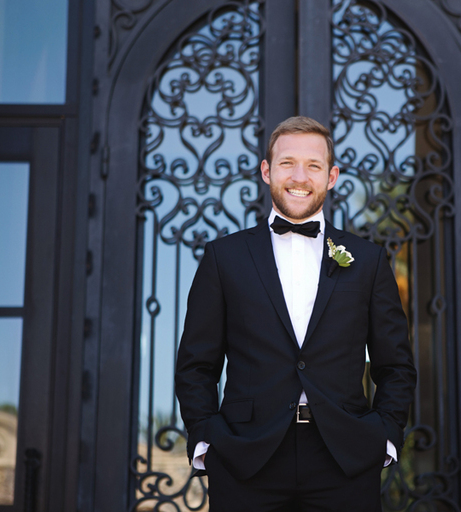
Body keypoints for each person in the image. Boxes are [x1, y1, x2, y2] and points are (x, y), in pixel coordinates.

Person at [175, 116, 416, 511]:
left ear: (332, 176)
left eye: (313, 165)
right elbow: (196, 365)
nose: (299, 176)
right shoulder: (224, 258)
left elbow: (396, 365)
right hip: (245, 459)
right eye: (287, 163)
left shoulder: (369, 260)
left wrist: (384, 437)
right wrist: (208, 439)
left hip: (345, 460)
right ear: (267, 171)